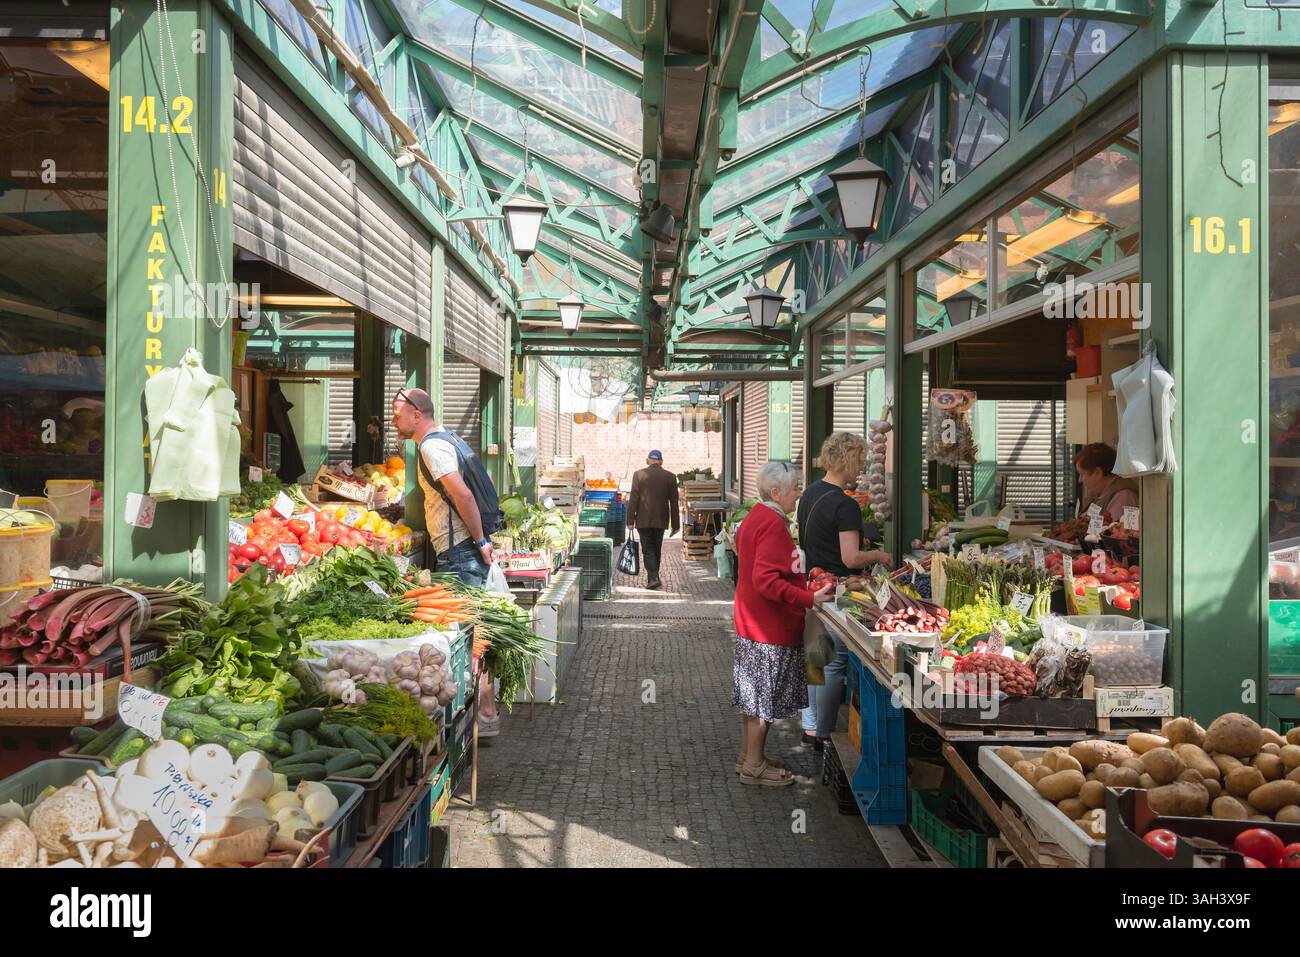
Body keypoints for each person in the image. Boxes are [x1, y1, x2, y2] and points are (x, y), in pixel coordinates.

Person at [391, 387, 503, 737]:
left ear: (416, 414)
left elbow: (463, 494)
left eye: (397, 412)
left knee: (468, 637)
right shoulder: (444, 439)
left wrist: (480, 541)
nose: (393, 418)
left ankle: (484, 715)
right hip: (462, 551)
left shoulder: (433, 447)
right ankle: (486, 713)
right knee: (474, 633)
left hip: (461, 554)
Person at [732, 461, 834, 786]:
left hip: (753, 623)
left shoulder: (757, 517)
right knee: (763, 701)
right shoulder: (774, 525)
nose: (800, 493)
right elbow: (765, 580)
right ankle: (754, 766)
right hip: (768, 628)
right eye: (796, 488)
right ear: (776, 492)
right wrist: (809, 598)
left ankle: (750, 757)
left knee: (754, 699)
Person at [797, 432, 894, 749]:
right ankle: (824, 735)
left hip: (813, 586)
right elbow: (850, 557)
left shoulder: (810, 493)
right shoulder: (845, 504)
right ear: (848, 461)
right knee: (833, 663)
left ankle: (809, 725)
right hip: (839, 591)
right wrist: (878, 556)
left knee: (815, 657)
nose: (862, 468)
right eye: (861, 461)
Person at [626, 450, 680, 590]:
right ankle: (654, 577)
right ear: (661, 461)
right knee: (656, 548)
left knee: (648, 549)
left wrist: (630, 520)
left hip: (643, 520)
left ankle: (654, 577)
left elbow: (633, 499)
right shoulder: (670, 477)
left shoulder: (639, 475)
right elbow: (674, 503)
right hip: (661, 520)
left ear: (648, 460)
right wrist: (676, 525)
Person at [1074, 442, 1139, 518]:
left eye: (1082, 474)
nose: (1080, 480)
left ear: (1098, 473)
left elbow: (1115, 528)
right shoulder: (1100, 495)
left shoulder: (1125, 497)